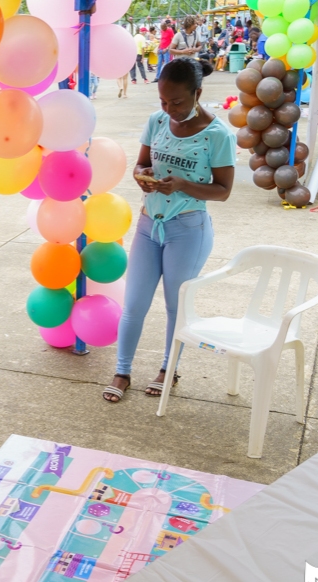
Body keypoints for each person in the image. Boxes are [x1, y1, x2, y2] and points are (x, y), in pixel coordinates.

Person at [102, 58, 234, 403]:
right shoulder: (156, 121)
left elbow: (223, 191)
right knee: (134, 304)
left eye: (177, 102)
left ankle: (168, 369)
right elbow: (141, 162)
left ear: (197, 94)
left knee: (176, 306)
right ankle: (122, 371)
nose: (169, 109)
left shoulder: (217, 135)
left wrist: (182, 185)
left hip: (188, 230)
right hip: (149, 225)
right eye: (163, 101)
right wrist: (142, 175)